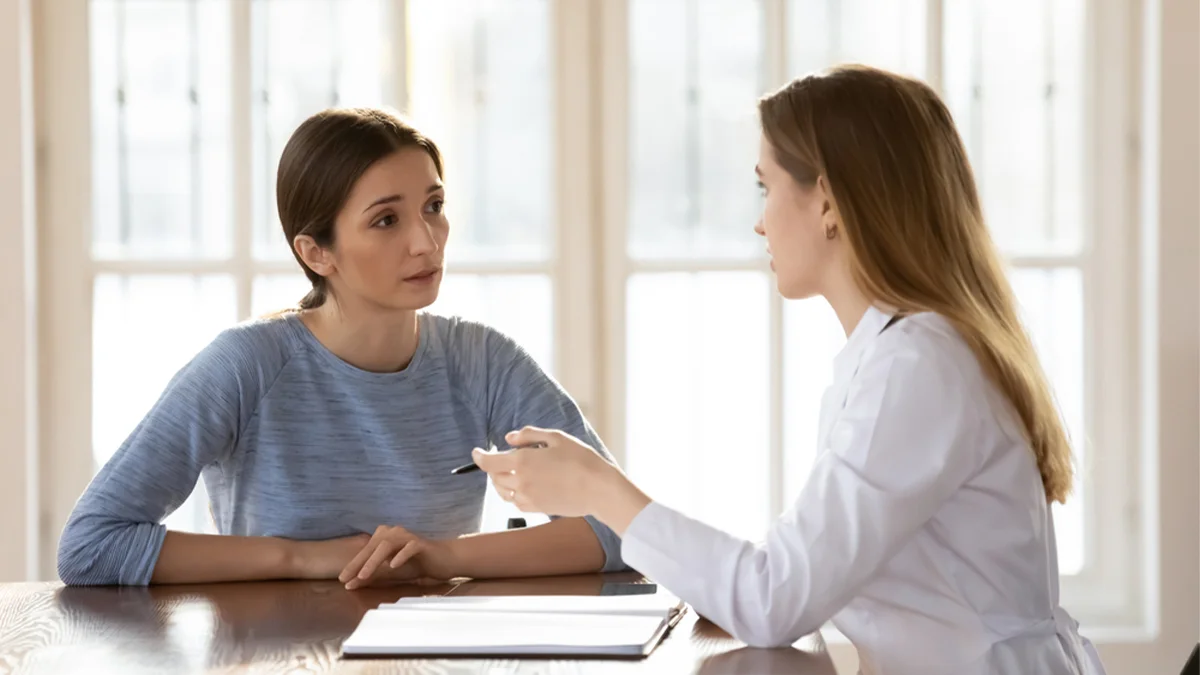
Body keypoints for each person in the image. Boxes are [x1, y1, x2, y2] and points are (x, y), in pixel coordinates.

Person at [470, 66, 1107, 675]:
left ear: (827, 201)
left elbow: (774, 602)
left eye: (765, 186)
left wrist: (602, 491)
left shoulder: (919, 365)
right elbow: (791, 572)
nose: (759, 220)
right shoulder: (902, 351)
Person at [57, 108, 627, 587]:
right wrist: (307, 558)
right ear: (317, 252)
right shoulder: (244, 366)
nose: (426, 242)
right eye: (386, 220)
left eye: (433, 206)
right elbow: (92, 545)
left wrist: (440, 556)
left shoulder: (483, 361)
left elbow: (622, 528)